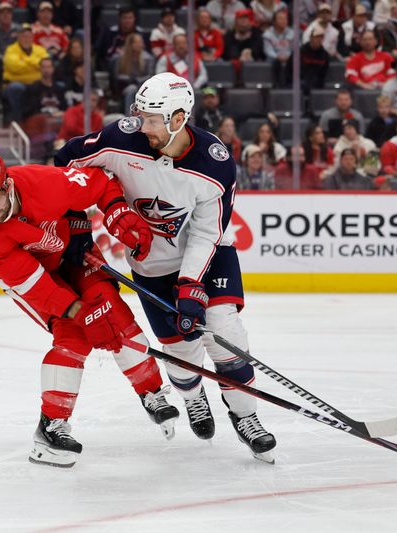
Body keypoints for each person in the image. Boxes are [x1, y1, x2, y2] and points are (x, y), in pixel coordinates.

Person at [55, 72, 277, 462]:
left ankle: (246, 416)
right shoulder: (121, 139)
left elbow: (209, 232)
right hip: (152, 264)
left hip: (207, 255)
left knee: (223, 328)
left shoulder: (215, 163)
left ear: (178, 119)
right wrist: (76, 222)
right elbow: (65, 163)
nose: (143, 125)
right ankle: (194, 398)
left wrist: (191, 283)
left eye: (152, 119)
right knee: (182, 351)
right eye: (140, 115)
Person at [0, 147, 178, 468]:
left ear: (7, 186)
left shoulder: (45, 182)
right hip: (37, 278)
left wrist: (108, 215)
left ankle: (152, 392)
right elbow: (35, 285)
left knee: (114, 312)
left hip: (74, 256)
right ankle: (50, 426)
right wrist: (80, 314)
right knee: (73, 335)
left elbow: (103, 182)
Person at [263, 8, 294, 87]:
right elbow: (268, 51)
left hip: (289, 59)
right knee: (274, 62)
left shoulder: (292, 33)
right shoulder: (267, 34)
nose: (284, 21)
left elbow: (296, 49)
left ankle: (290, 85)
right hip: (273, 60)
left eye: (285, 18)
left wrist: (288, 57)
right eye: (280, 18)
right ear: (274, 21)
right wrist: (277, 57)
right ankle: (275, 86)